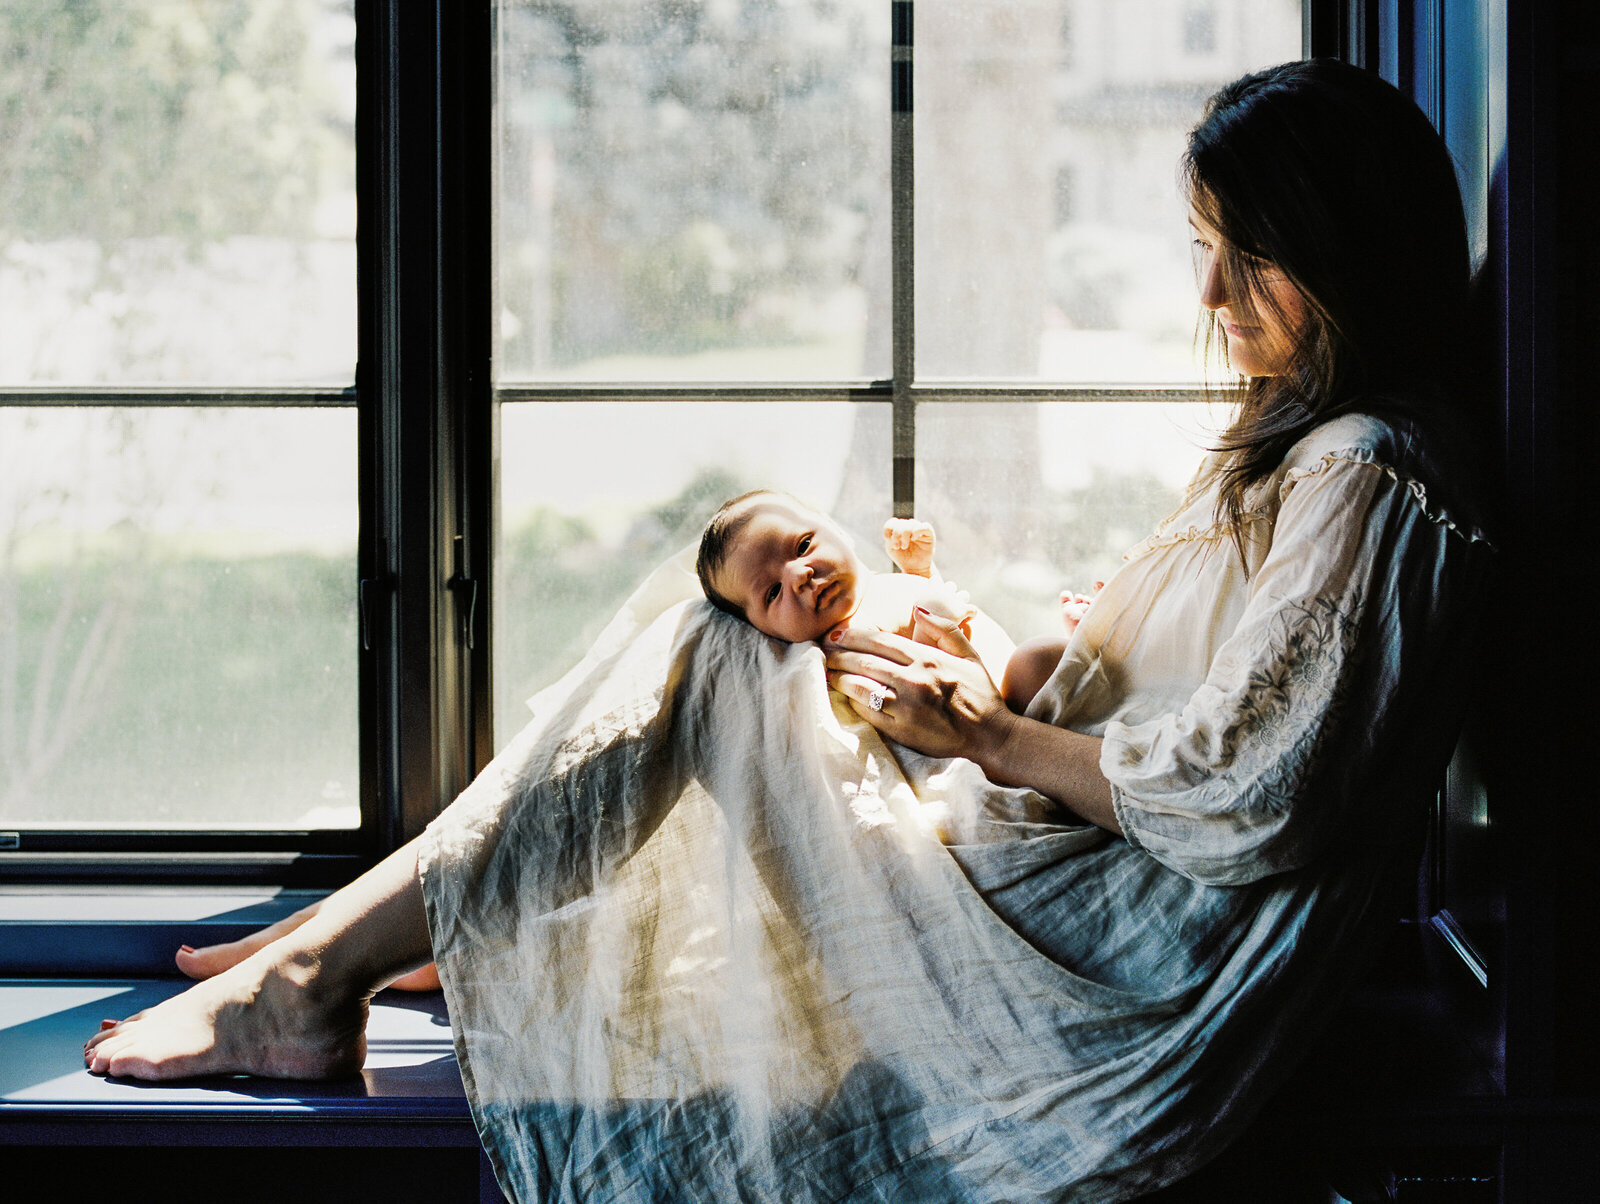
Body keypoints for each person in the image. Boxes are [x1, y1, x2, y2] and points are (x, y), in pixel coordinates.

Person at [85, 59, 1492, 1200]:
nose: (1204, 298)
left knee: (721, 648)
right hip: (1082, 910)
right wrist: (1023, 660)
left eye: (1244, 258)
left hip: (1108, 984)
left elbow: (1254, 791)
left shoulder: (1371, 468)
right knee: (768, 624)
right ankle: (365, 941)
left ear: (1346, 253)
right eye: (1203, 251)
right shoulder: (1335, 457)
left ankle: (332, 964)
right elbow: (1218, 709)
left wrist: (985, 731)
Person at [694, 489, 1085, 713]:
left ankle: (1085, 649)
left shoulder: (882, 586)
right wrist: (934, 620)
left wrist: (919, 572)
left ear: (837, 531)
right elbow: (919, 681)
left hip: (1014, 688)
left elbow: (922, 607)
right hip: (1006, 702)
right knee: (1038, 659)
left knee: (1056, 656)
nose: (799, 574)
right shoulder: (845, 641)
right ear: (763, 631)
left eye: (803, 545)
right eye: (773, 592)